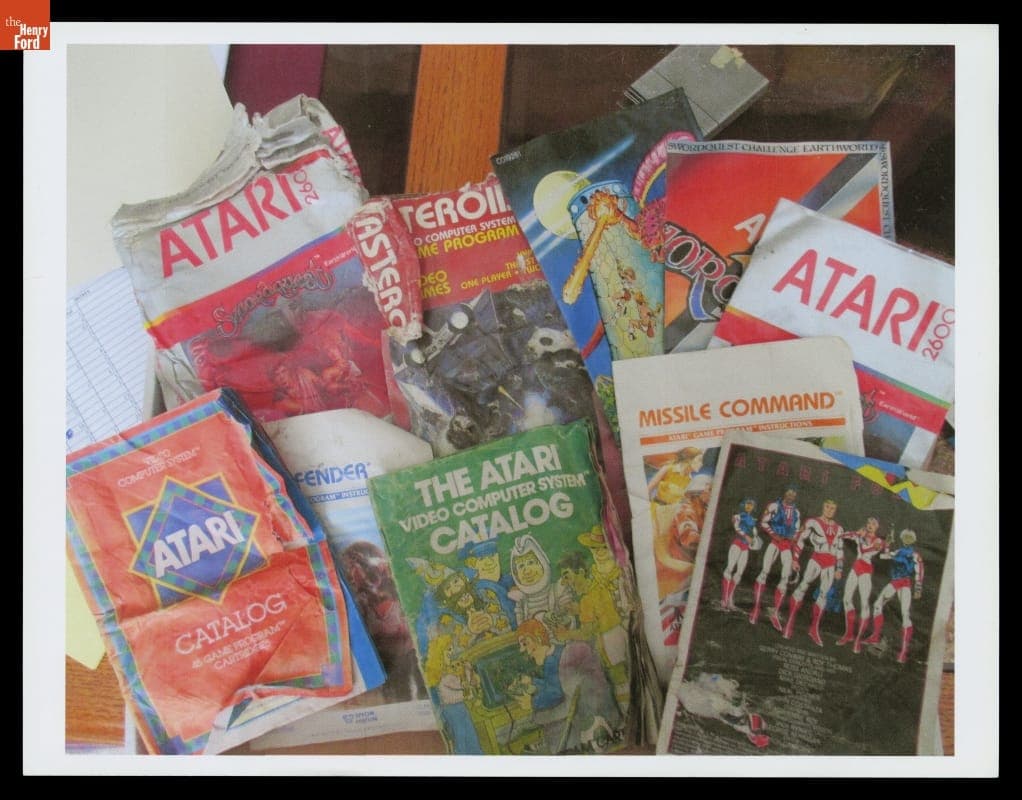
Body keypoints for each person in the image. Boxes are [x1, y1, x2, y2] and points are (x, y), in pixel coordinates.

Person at [510, 618, 623, 753]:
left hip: (589, 715)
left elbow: (558, 694)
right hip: (581, 707)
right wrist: (533, 681)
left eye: (525, 644)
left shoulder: (562, 657)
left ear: (538, 639)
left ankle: (558, 746)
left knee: (543, 716)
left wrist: (533, 702)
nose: (523, 650)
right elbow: (554, 684)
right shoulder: (554, 654)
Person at [553, 551, 629, 687]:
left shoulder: (586, 600)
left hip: (609, 643)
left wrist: (565, 635)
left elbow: (587, 632)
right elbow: (600, 611)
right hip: (621, 632)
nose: (564, 583)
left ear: (581, 572)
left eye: (566, 576)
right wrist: (579, 609)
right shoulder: (598, 586)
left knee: (621, 683)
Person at [656, 473, 712, 645]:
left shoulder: (702, 510)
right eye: (710, 489)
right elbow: (690, 539)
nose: (713, 493)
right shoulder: (686, 510)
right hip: (683, 563)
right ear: (700, 492)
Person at [784, 499, 845, 645]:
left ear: (835, 510)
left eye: (832, 508)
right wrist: (795, 559)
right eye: (827, 507)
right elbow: (800, 539)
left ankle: (814, 629)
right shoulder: (812, 522)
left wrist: (839, 568)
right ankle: (789, 624)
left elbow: (840, 550)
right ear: (823, 507)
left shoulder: (840, 528)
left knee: (823, 595)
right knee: (803, 587)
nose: (829, 510)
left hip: (830, 564)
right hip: (816, 560)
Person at [864, 529, 925, 663]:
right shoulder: (898, 551)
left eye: (910, 537)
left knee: (905, 614)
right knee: (877, 605)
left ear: (913, 540)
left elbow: (919, 569)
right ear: (902, 538)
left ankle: (903, 651)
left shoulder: (914, 554)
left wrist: (918, 587)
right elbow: (884, 556)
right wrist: (887, 544)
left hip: (904, 584)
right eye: (905, 537)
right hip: (894, 582)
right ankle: (875, 636)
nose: (907, 539)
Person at [749, 485, 801, 630]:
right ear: (785, 493)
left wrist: (795, 555)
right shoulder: (774, 506)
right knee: (764, 572)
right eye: (789, 493)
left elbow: (797, 533)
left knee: (785, 577)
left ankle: (775, 613)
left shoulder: (796, 512)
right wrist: (774, 535)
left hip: (786, 545)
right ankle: (756, 608)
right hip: (774, 542)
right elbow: (764, 522)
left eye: (793, 494)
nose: (791, 496)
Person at [836, 516, 887, 653]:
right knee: (847, 599)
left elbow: (866, 550)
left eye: (873, 524)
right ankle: (848, 634)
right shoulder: (861, 534)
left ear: (877, 527)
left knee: (864, 603)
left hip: (866, 570)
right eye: (869, 523)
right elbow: (841, 535)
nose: (870, 525)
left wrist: (860, 537)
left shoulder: (878, 540)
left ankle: (858, 640)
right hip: (856, 567)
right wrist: (856, 533)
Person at [721, 498, 759, 611]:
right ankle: (724, 599)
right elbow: (737, 528)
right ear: (744, 505)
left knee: (739, 573)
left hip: (745, 548)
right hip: (737, 544)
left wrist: (753, 540)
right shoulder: (739, 516)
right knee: (729, 569)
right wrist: (746, 536)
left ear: (753, 507)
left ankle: (730, 599)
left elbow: (754, 534)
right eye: (747, 504)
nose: (749, 506)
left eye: (751, 505)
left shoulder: (753, 520)